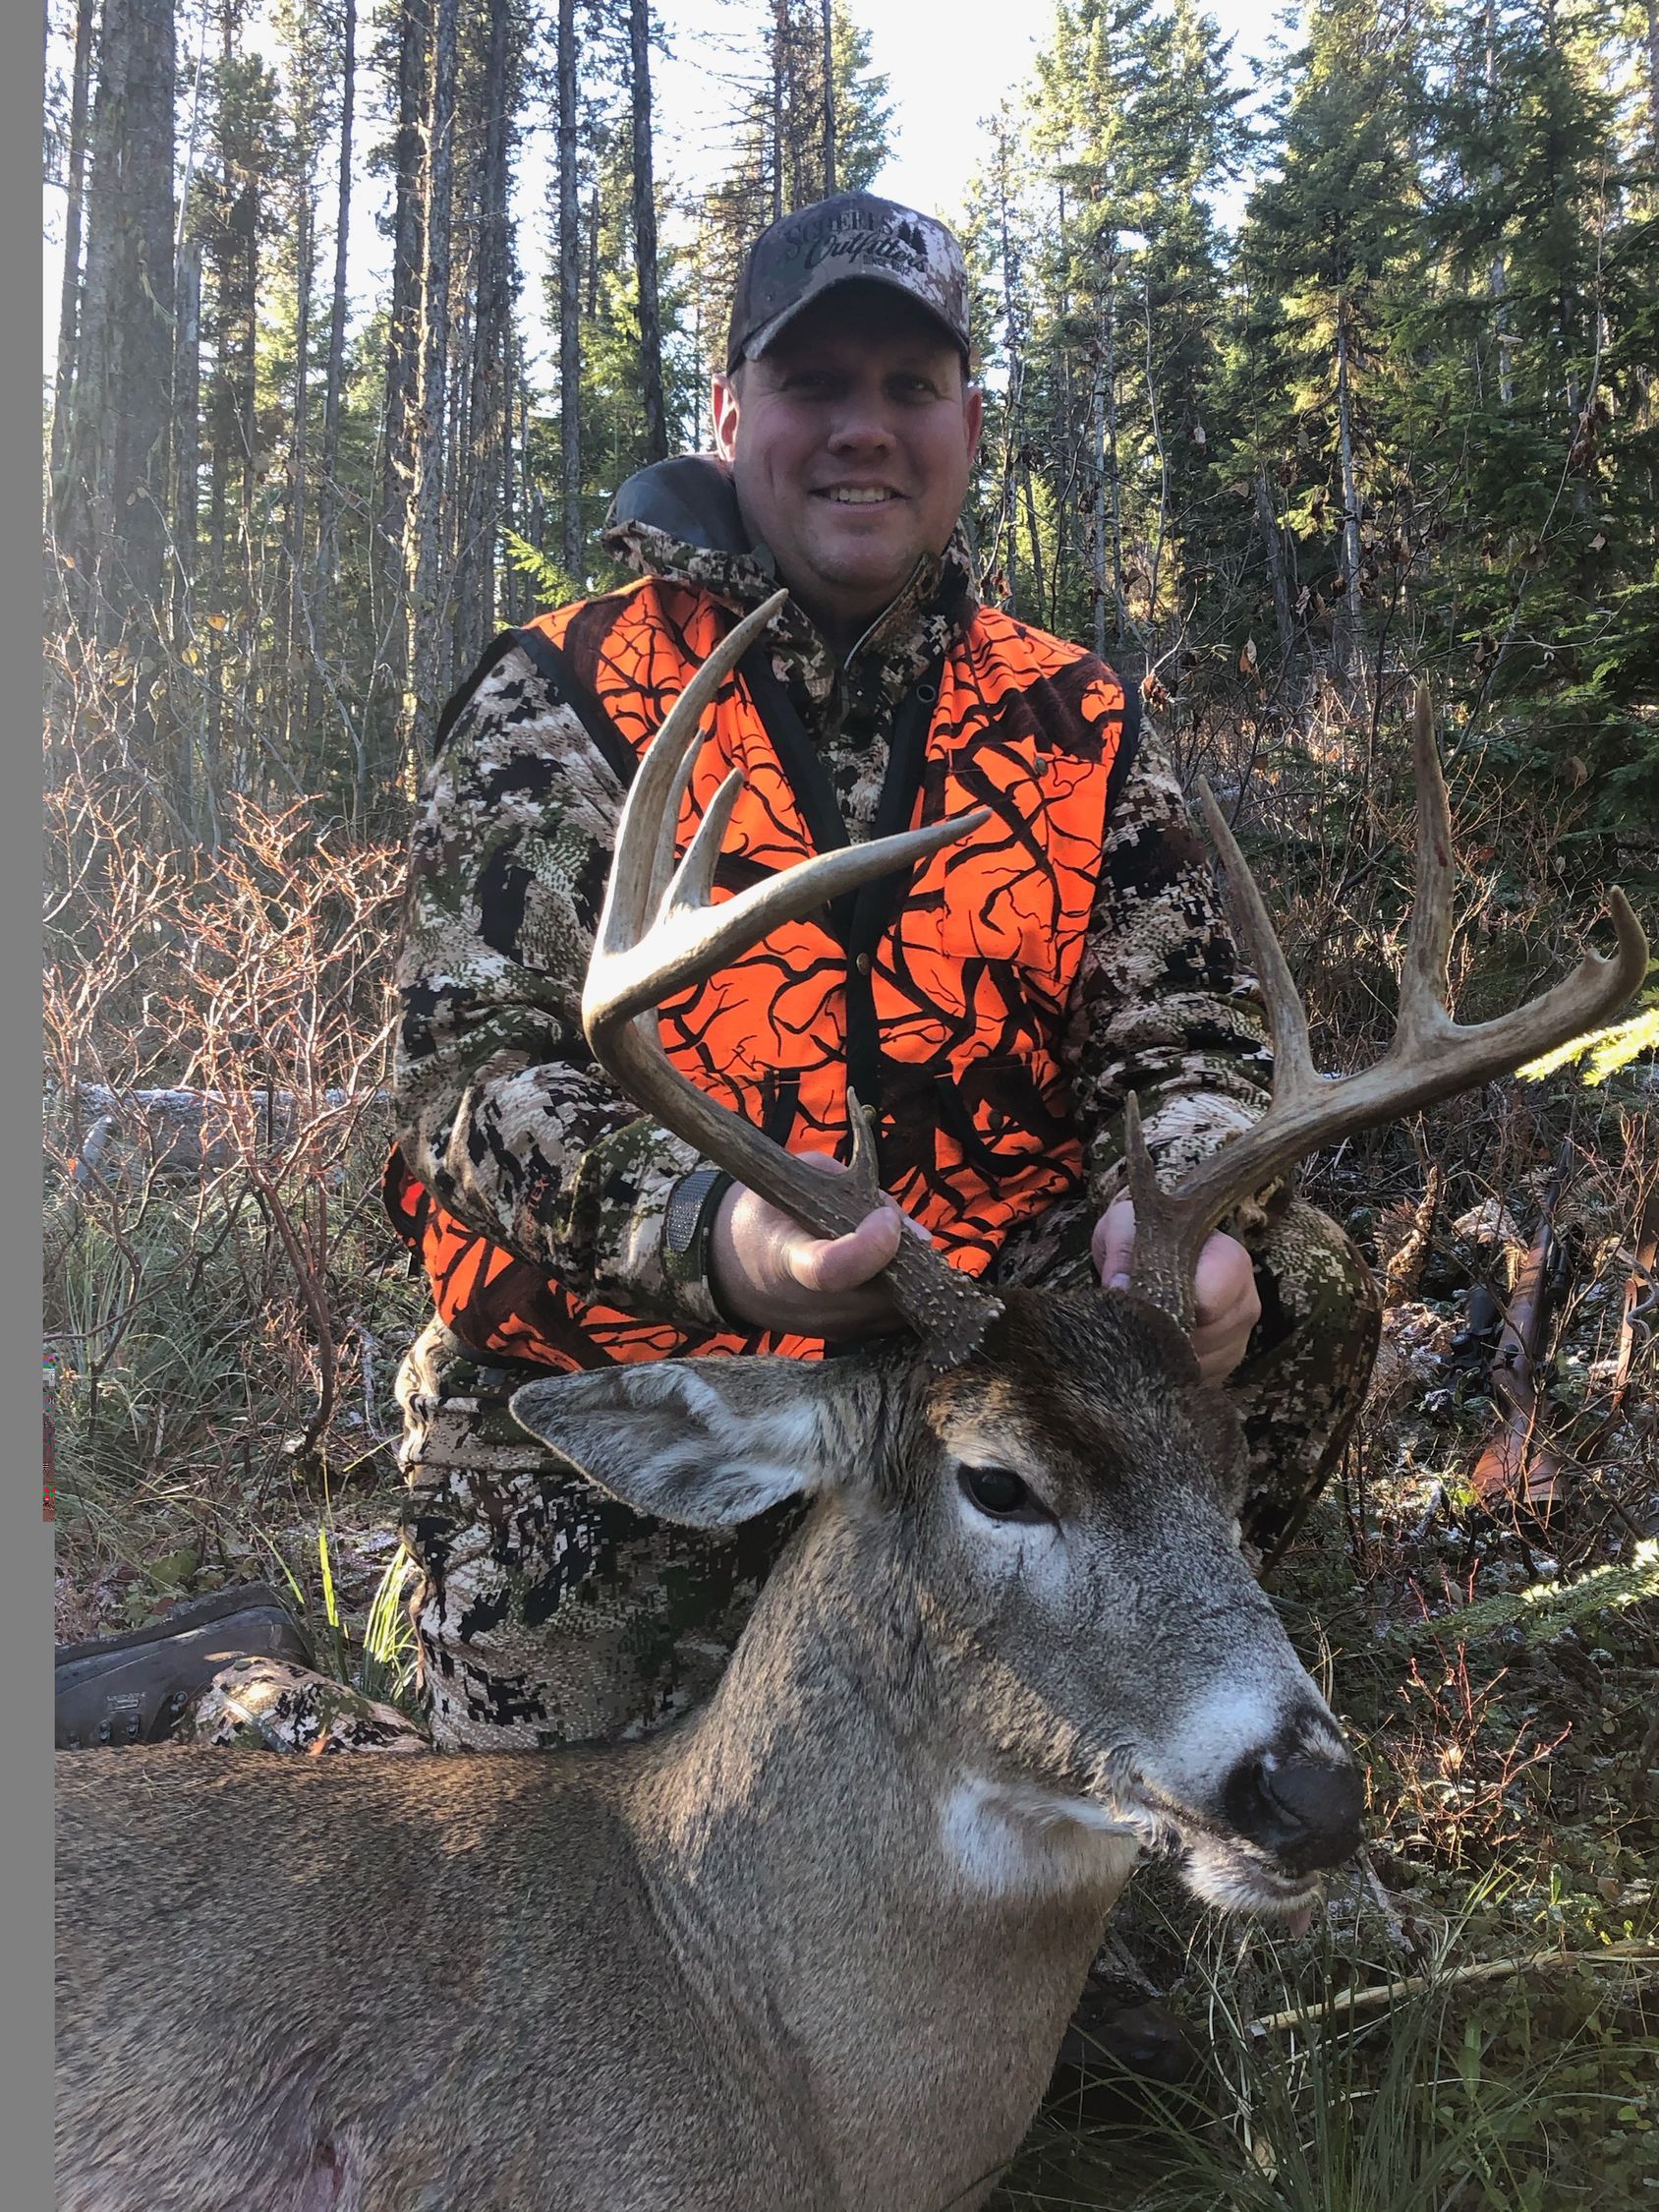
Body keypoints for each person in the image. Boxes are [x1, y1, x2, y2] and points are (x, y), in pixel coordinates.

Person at [60, 192, 1378, 1764]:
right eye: (817, 386)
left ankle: (1078, 1769)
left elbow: (1188, 1042)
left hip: (975, 1376)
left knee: (1308, 1287)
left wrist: (1186, 1218)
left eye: (907, 388)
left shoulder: (1075, 719)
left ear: (968, 419)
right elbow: (469, 1089)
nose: (862, 433)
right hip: (641, 1385)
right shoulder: (562, 695)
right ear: (732, 410)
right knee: (547, 1898)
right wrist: (720, 1238)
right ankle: (233, 1693)